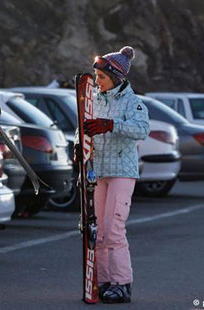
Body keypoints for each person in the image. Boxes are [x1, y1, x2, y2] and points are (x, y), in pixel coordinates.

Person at [74, 46, 149, 304]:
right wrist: (78, 145)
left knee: (114, 230)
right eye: (96, 76)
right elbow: (82, 128)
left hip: (122, 172)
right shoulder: (95, 98)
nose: (98, 81)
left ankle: (122, 283)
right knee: (101, 231)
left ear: (116, 77)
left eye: (102, 77)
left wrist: (112, 125)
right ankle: (104, 281)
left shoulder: (132, 102)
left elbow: (141, 129)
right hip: (100, 171)